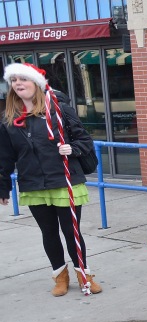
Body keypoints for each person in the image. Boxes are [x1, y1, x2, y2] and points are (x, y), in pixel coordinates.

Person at [0, 63, 101, 296]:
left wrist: (72, 149)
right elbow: (5, 157)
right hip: (33, 184)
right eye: (14, 80)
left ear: (36, 83)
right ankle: (60, 277)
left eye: (22, 79)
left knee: (71, 232)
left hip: (65, 182)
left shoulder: (59, 109)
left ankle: (84, 275)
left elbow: (84, 141)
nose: (18, 84)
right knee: (49, 233)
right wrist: (3, 185)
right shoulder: (8, 119)